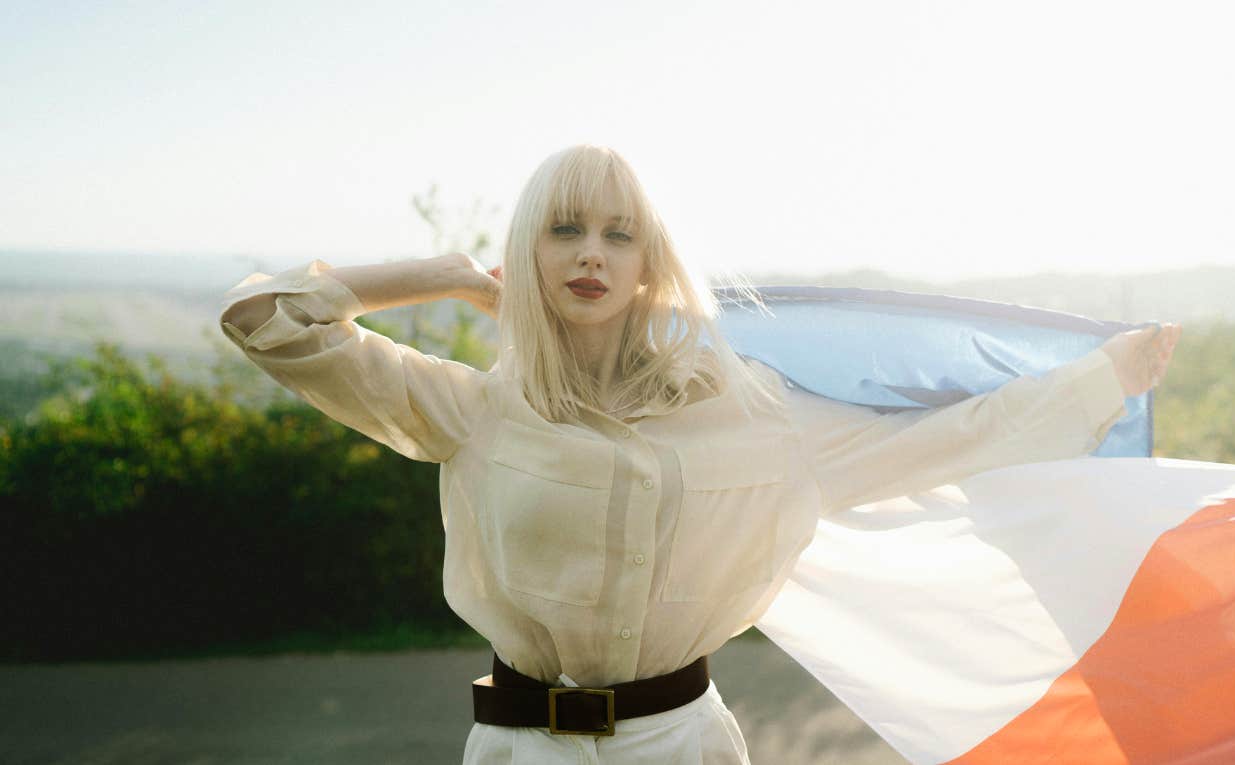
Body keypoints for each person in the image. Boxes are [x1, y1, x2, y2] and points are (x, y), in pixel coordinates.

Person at [219, 143, 1181, 764]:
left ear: (648, 264)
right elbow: (266, 321)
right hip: (516, 750)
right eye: (564, 229)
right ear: (530, 249)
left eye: (617, 234)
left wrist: (1103, 378)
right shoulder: (474, 411)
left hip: (681, 744)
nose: (590, 253)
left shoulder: (750, 417)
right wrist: (452, 276)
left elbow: (939, 440)